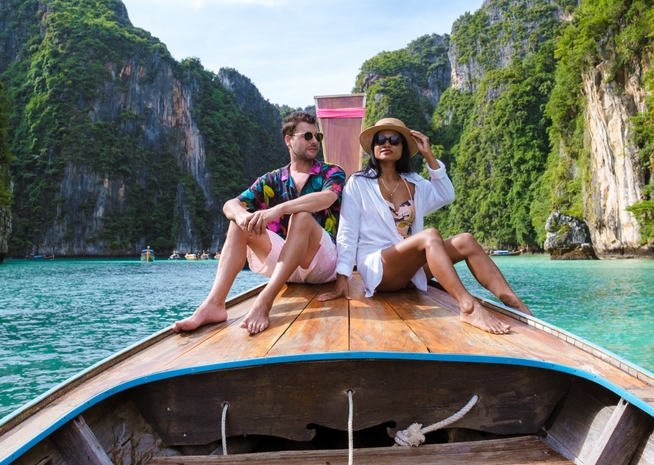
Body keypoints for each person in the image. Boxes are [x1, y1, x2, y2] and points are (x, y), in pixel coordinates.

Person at [319, 117, 531, 334]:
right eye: (380, 139)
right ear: (373, 147)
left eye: (394, 140)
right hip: (378, 265)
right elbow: (347, 231)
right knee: (429, 236)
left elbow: (446, 195)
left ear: (403, 147)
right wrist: (342, 276)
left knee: (466, 240)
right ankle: (468, 306)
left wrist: (429, 156)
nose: (386, 144)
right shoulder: (359, 183)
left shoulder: (415, 182)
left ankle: (516, 304)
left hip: (410, 270)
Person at [173, 111, 345, 335]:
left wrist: (279, 209)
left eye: (317, 137)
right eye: (307, 136)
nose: (314, 141)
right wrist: (243, 217)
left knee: (301, 215)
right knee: (238, 223)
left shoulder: (332, 172)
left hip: (321, 262)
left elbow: (328, 197)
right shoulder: (272, 179)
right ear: (288, 140)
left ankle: (265, 300)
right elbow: (230, 205)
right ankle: (214, 304)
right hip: (285, 264)